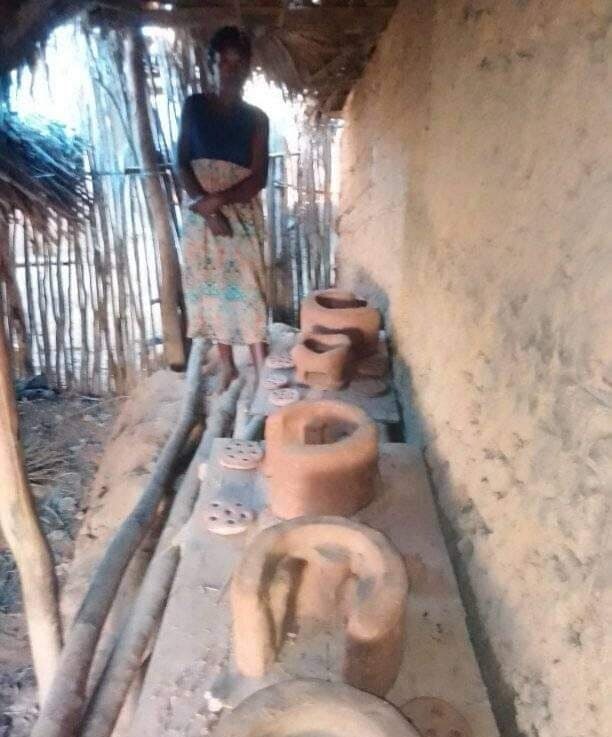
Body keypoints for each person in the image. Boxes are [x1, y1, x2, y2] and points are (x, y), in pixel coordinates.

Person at [176, 26, 269, 390]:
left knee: (250, 287)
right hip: (200, 213)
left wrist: (220, 201)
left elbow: (258, 177)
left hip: (240, 212)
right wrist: (207, 209)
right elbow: (181, 162)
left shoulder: (257, 118)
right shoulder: (195, 107)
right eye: (223, 62)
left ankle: (262, 371)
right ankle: (227, 365)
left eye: (238, 62)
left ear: (247, 68)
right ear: (211, 65)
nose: (231, 69)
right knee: (211, 289)